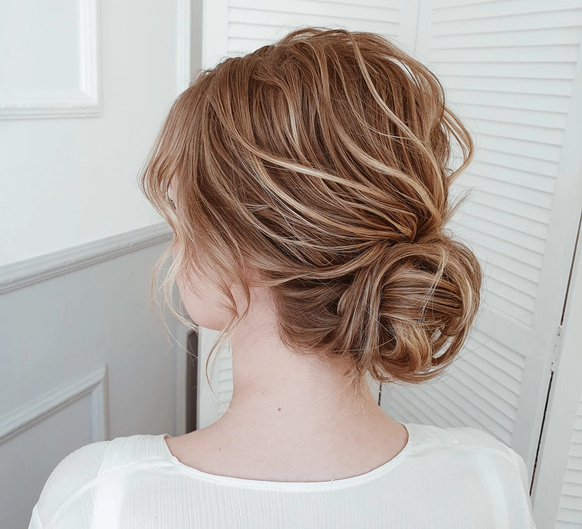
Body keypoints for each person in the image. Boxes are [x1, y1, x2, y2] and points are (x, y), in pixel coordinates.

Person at [29, 27, 537, 528]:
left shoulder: (100, 498)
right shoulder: (492, 480)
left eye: (181, 218)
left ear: (236, 245)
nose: (175, 247)